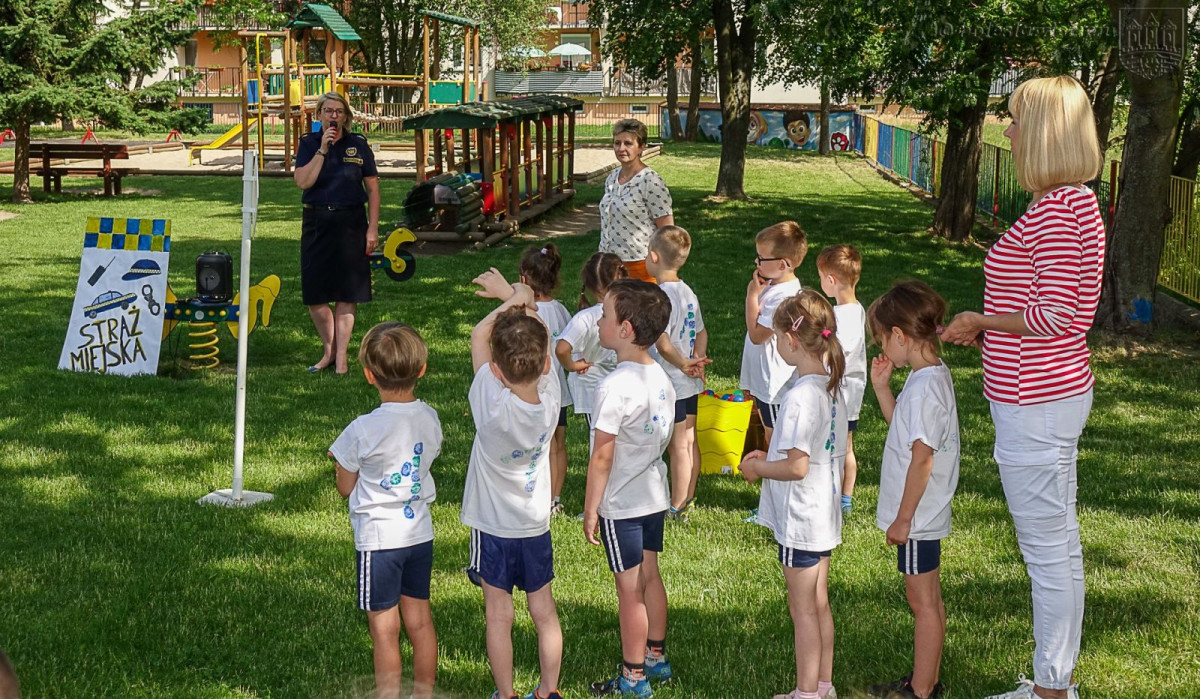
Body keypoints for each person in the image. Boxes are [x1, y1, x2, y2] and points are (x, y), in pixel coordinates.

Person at [940, 76, 1105, 699]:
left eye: (1013, 119)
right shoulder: (1065, 202)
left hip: (1037, 400)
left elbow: (1060, 314)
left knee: (1048, 552)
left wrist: (982, 321)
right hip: (1041, 391)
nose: (1005, 129)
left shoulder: (1062, 210)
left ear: (1042, 132)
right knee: (1057, 546)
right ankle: (1052, 683)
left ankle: (1050, 689)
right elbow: (1042, 306)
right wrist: (990, 333)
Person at [739, 290, 846, 699]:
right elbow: (808, 451)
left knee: (803, 609)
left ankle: (805, 693)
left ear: (790, 341)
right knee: (818, 603)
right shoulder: (827, 384)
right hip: (822, 512)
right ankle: (822, 685)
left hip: (801, 517)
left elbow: (797, 466)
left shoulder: (801, 395)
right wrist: (771, 452)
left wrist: (758, 467)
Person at [464, 272, 565, 699]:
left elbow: (478, 335)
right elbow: (540, 333)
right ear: (545, 364)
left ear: (496, 370)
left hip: (493, 530)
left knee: (498, 616)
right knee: (544, 613)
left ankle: (505, 694)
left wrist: (510, 299)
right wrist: (519, 296)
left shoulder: (489, 400)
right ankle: (549, 691)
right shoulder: (551, 397)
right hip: (534, 526)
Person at [328, 322, 440, 699]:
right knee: (420, 622)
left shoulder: (361, 429)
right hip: (419, 535)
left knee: (384, 630)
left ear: (369, 375)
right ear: (421, 370)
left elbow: (345, 486)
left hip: (378, 542)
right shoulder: (430, 418)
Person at [582, 279, 676, 697]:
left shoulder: (612, 386)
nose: (599, 321)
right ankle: (656, 657)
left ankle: (633, 676)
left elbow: (602, 456)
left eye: (604, 315)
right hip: (654, 494)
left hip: (622, 503)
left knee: (629, 591)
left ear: (625, 331)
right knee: (651, 577)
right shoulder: (661, 377)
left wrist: (591, 508)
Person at [866, 281, 959, 699]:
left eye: (883, 338)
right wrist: (883, 390)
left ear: (900, 336)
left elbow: (922, 460)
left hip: (918, 518)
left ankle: (920, 692)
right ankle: (927, 682)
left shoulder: (925, 390)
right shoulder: (929, 377)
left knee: (922, 603)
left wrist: (903, 519)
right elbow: (904, 436)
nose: (883, 346)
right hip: (923, 514)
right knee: (930, 601)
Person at [294, 91, 381, 374]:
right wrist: (322, 150)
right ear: (319, 114)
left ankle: (341, 358)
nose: (334, 116)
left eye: (339, 111)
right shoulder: (308, 144)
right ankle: (329, 351)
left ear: (347, 116)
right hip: (317, 222)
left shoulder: (359, 145)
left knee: (347, 293)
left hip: (351, 223)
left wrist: (372, 227)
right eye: (328, 111)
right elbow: (303, 183)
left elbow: (373, 189)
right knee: (315, 295)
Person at [644, 225, 711, 521]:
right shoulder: (688, 291)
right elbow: (701, 331)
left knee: (677, 447)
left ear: (654, 257)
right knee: (688, 442)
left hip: (672, 383)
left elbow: (662, 341)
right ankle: (686, 498)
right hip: (690, 381)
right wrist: (697, 359)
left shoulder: (659, 296)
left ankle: (676, 505)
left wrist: (684, 363)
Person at [517, 244, 574, 515]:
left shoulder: (523, 312)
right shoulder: (562, 311)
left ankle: (535, 495)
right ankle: (555, 499)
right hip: (559, 391)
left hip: (532, 391)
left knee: (535, 445)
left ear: (524, 279)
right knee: (557, 445)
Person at [740, 221, 807, 446]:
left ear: (783, 264)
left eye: (761, 258)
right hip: (763, 380)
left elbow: (757, 334)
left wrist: (751, 295)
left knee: (777, 438)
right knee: (770, 433)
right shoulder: (771, 286)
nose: (756, 262)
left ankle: (778, 475)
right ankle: (773, 475)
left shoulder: (784, 298)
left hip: (774, 384)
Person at [555, 253, 628, 454]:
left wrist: (572, 366)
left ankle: (603, 480)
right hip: (626, 386)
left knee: (600, 444)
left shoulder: (585, 318)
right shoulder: (630, 311)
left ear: (587, 283)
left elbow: (561, 348)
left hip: (593, 390)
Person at [815, 245, 867, 516]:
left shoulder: (843, 316)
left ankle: (842, 497)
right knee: (845, 445)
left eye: (822, 277)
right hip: (850, 391)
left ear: (831, 281)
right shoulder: (856, 309)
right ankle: (844, 496)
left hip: (843, 394)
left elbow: (837, 353)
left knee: (840, 446)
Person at [599, 119, 674, 282]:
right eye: (617, 143)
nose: (621, 148)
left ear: (641, 147)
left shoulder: (651, 181)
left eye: (628, 143)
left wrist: (663, 267)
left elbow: (667, 230)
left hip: (640, 265)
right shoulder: (612, 178)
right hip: (608, 262)